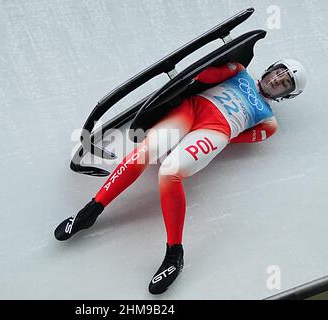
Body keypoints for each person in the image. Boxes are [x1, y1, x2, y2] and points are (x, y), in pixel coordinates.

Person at [54, 58, 307, 295]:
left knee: (169, 173)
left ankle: (175, 253)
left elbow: (235, 138)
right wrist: (228, 66)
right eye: (278, 73)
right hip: (191, 109)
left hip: (216, 130)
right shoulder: (239, 70)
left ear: (286, 96)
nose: (277, 80)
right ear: (270, 68)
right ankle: (90, 211)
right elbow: (203, 75)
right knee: (146, 151)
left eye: (284, 83)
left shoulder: (269, 122)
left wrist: (214, 135)